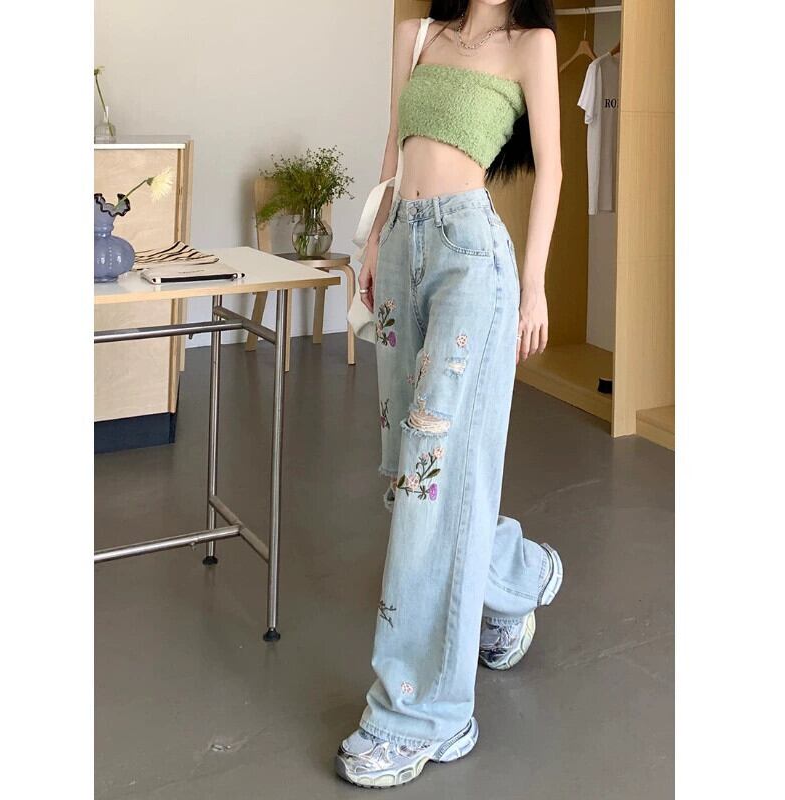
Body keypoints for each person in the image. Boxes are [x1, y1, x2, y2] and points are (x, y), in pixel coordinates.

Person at [336, 1, 563, 788]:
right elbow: (393, 145)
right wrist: (374, 239)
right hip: (403, 249)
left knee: (429, 479)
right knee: (409, 470)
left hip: (472, 260)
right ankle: (517, 575)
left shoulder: (531, 43)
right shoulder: (419, 32)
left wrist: (534, 285)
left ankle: (425, 713)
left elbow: (552, 169)